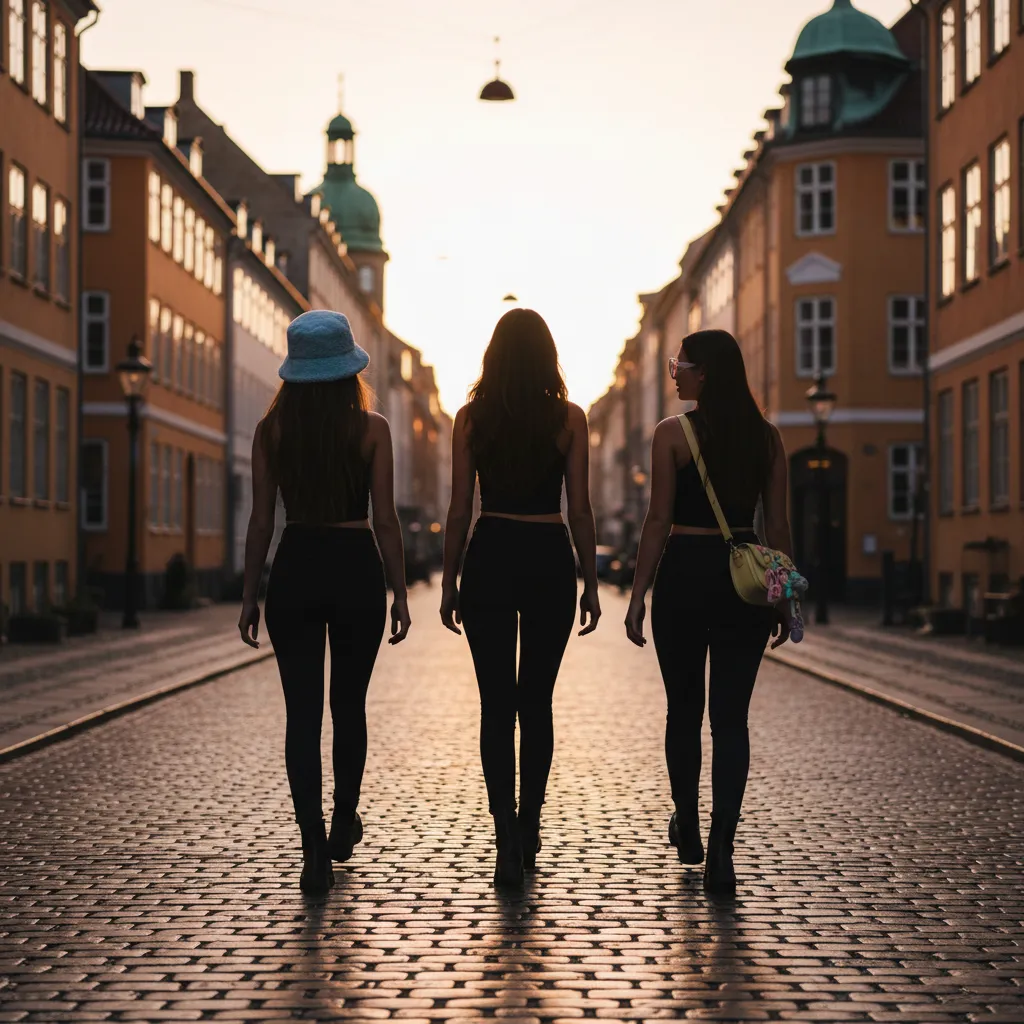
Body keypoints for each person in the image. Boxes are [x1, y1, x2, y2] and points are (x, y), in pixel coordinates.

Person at [238, 310, 411, 897]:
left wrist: (249, 596)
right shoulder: (372, 429)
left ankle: (312, 847)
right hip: (356, 566)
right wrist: (401, 592)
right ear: (347, 370)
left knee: (301, 714)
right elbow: (385, 519)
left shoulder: (271, 431)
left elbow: (262, 520)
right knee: (349, 706)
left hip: (296, 566)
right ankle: (343, 819)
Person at [624, 329, 792, 896]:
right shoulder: (768, 439)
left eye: (682, 364)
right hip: (745, 583)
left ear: (706, 374)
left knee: (684, 710)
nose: (674, 372)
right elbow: (779, 528)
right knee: (731, 720)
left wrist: (639, 592)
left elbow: (656, 521)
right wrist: (781, 596)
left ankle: (688, 823)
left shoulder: (672, 435)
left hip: (686, 577)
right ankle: (723, 850)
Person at [440, 308, 601, 887]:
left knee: (494, 704)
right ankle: (530, 823)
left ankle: (504, 831)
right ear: (548, 356)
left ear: (494, 356)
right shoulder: (569, 419)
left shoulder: (471, 419)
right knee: (536, 702)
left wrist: (448, 579)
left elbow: (460, 508)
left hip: (490, 554)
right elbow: (579, 508)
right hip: (547, 557)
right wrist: (590, 582)